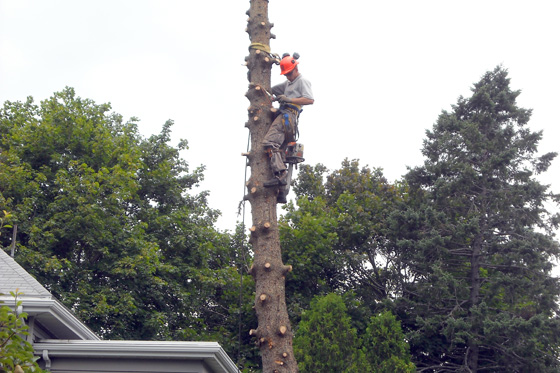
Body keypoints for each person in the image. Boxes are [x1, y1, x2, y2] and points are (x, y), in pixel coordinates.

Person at [263, 54, 314, 189]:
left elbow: (310, 100)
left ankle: (281, 174)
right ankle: (280, 191)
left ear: (296, 68)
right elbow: (271, 90)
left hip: (289, 115)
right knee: (279, 149)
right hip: (287, 117)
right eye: (286, 74)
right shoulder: (288, 83)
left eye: (289, 73)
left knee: (270, 143)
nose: (288, 76)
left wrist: (289, 99)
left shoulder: (302, 81)